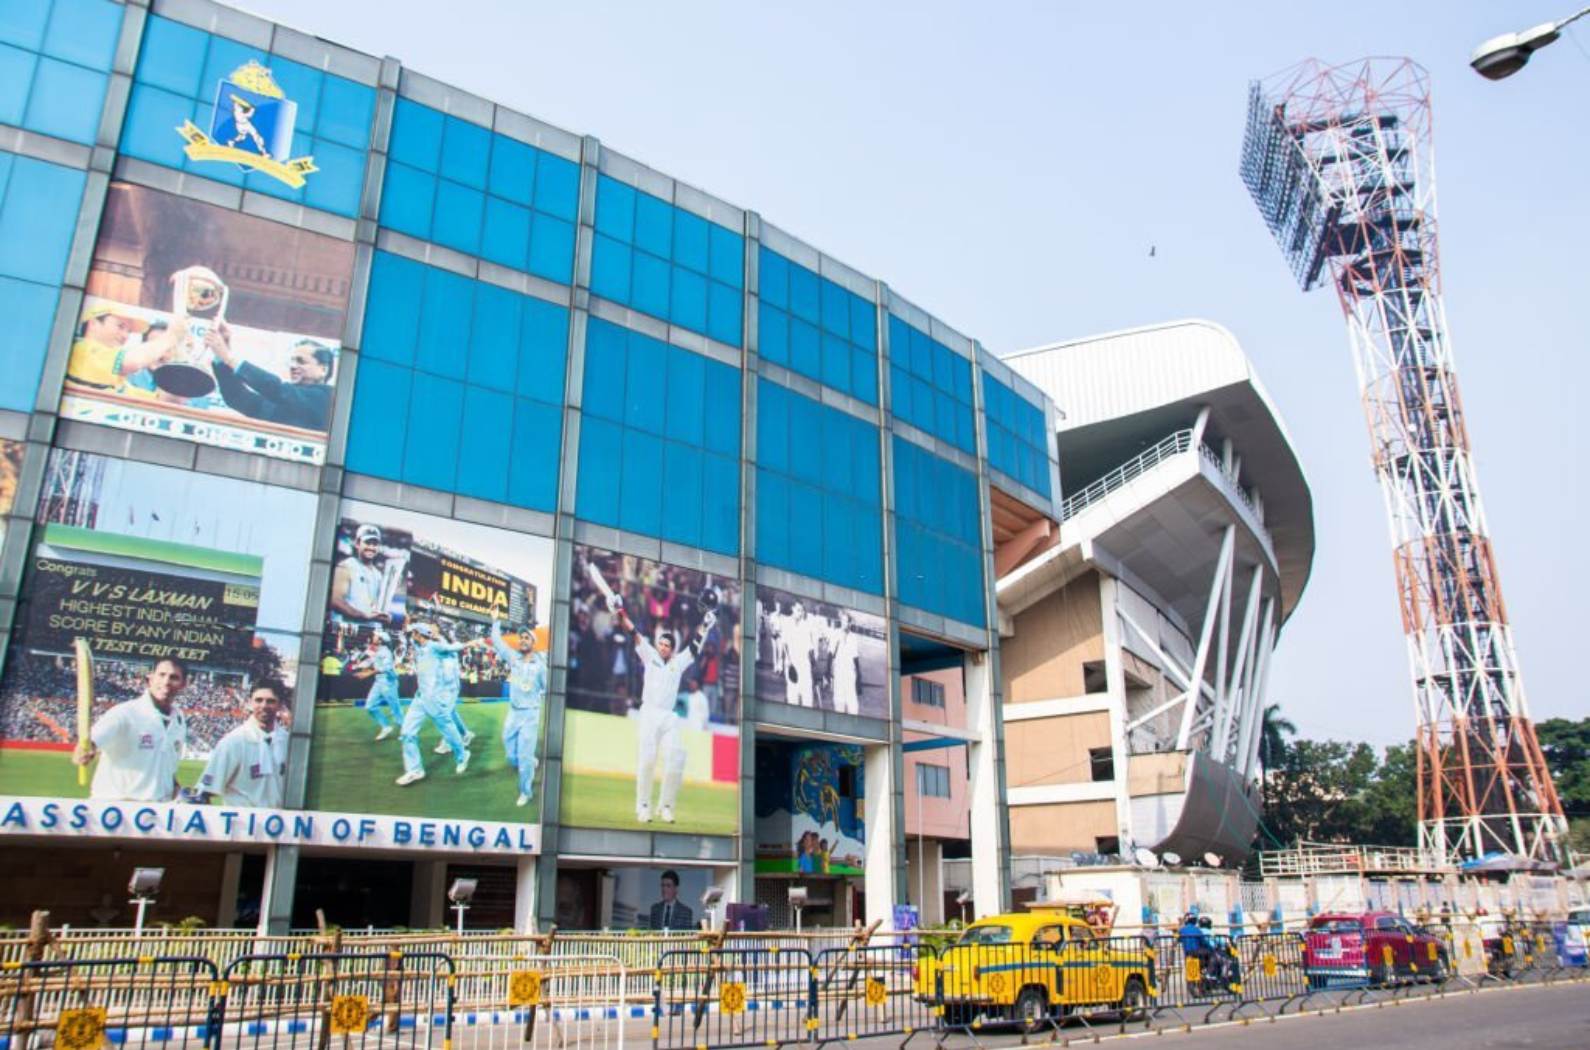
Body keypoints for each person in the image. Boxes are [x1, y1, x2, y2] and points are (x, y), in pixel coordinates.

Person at [615, 602, 713, 824]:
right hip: (649, 714)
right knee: (647, 760)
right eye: (661, 643)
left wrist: (705, 626)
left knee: (676, 759)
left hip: (668, 718)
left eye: (667, 645)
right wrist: (620, 611)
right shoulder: (649, 655)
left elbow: (695, 646)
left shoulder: (678, 663)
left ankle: (666, 806)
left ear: (672, 648)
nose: (663, 647)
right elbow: (633, 632)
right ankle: (643, 806)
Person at [74, 656, 189, 802]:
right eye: (161, 675)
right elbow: (93, 741)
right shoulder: (125, 712)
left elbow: (166, 768)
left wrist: (180, 791)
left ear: (184, 683)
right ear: (151, 678)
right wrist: (86, 749)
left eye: (174, 677)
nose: (166, 682)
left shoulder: (179, 720)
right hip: (117, 808)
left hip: (157, 813)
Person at [206, 321, 335, 431]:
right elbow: (238, 398)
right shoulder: (283, 401)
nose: (293, 366)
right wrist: (221, 356)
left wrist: (229, 359)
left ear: (323, 369)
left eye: (301, 361)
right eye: (292, 361)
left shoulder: (327, 398)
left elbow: (279, 390)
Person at [187, 680, 291, 807]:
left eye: (270, 701)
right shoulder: (233, 742)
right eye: (258, 700)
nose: (264, 705)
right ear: (249, 703)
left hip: (279, 823)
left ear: (280, 705)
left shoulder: (288, 741)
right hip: (242, 824)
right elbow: (203, 794)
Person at [396, 623, 472, 785]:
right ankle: (415, 769)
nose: (412, 635)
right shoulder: (418, 646)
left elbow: (453, 648)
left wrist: (469, 644)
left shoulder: (435, 647)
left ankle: (462, 755)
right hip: (420, 698)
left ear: (419, 634)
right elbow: (407, 632)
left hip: (434, 699)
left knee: (449, 730)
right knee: (407, 733)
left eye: (414, 632)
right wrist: (407, 623)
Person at [64, 304, 186, 399]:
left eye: (129, 331)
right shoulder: (81, 350)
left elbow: (162, 401)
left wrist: (179, 359)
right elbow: (133, 362)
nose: (125, 335)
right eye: (120, 326)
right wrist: (172, 336)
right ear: (94, 324)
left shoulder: (115, 377)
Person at [490, 612, 546, 807]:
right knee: (510, 754)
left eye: (526, 638)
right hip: (514, 713)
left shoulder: (540, 666)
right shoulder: (513, 658)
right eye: (521, 637)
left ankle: (526, 791)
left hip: (530, 714)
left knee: (523, 758)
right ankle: (529, 762)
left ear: (533, 642)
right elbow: (497, 641)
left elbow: (547, 689)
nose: (522, 640)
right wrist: (495, 620)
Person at [329, 523, 391, 624]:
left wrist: (384, 616)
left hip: (370, 632)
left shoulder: (378, 574)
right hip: (349, 630)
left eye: (375, 544)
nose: (371, 547)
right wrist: (364, 616)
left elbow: (376, 606)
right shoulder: (347, 566)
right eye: (367, 542)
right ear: (357, 543)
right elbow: (336, 601)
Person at [347, 629, 402, 740]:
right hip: (379, 682)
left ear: (381, 640)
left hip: (389, 683)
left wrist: (367, 674)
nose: (373, 637)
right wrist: (362, 670)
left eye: (376, 636)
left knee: (394, 708)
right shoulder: (377, 651)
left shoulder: (386, 652)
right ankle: (386, 726)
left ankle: (404, 730)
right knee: (370, 706)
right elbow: (373, 664)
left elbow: (385, 668)